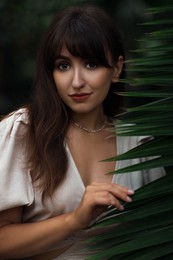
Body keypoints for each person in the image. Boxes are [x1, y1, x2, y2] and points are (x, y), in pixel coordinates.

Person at [0, 5, 165, 259]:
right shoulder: (23, 132)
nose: (76, 81)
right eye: (63, 66)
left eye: (91, 63)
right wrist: (75, 220)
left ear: (117, 69)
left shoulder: (140, 145)